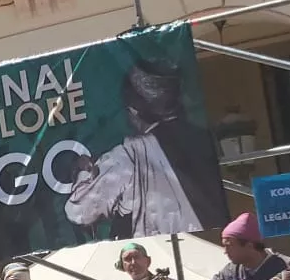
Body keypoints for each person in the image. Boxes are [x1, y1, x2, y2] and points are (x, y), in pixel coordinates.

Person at [65, 58, 231, 236]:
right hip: (213, 241)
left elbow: (80, 212)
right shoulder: (206, 138)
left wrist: (83, 172)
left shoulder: (130, 155)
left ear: (133, 111)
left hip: (164, 249)